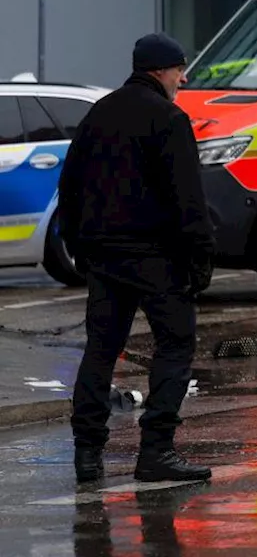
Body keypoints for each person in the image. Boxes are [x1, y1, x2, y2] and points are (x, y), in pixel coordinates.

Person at [60, 33, 216, 483]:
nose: (182, 78)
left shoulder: (98, 115)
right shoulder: (168, 118)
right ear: (160, 71)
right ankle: (156, 452)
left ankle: (87, 455)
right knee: (175, 344)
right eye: (179, 69)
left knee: (101, 351)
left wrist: (77, 245)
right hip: (158, 259)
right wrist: (201, 255)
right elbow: (187, 195)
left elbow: (69, 187)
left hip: (104, 257)